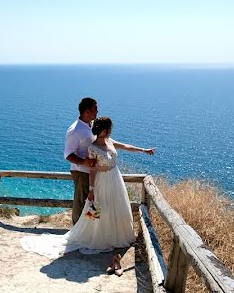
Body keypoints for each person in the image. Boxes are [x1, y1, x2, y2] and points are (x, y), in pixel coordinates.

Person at [22, 116, 155, 276]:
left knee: (116, 207)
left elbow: (125, 146)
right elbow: (92, 170)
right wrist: (91, 190)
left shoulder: (110, 141)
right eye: (109, 128)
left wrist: (143, 150)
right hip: (101, 182)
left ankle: (115, 236)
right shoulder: (92, 148)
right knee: (97, 210)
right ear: (104, 129)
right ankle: (95, 237)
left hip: (115, 179)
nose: (111, 130)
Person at [64, 97, 98, 224]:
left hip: (91, 172)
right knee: (81, 201)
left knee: (93, 201)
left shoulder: (92, 125)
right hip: (81, 172)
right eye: (95, 109)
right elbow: (68, 155)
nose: (97, 111)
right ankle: (76, 232)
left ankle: (90, 230)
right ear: (86, 112)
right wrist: (84, 162)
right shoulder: (75, 130)